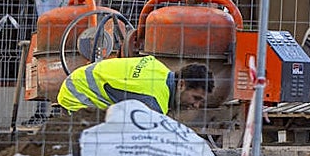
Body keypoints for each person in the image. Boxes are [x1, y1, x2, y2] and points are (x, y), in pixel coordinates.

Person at [57, 55, 214, 115]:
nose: (196, 105)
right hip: (77, 96)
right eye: (196, 98)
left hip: (79, 79)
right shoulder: (152, 101)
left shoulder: (159, 69)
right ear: (181, 84)